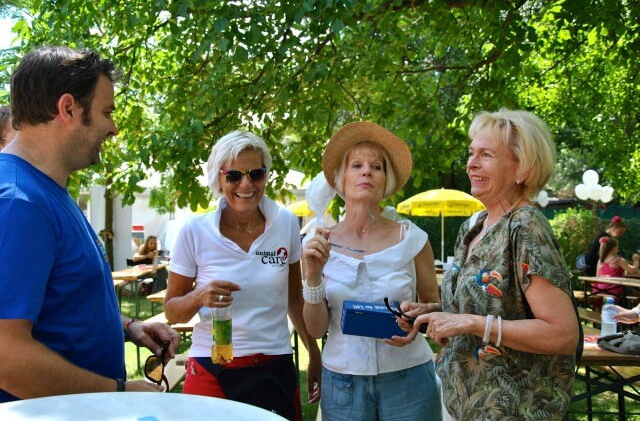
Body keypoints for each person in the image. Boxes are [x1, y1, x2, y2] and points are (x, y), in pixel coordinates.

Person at [0, 46, 181, 403]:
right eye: (107, 112)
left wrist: (128, 326)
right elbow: (7, 356)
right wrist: (119, 392)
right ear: (68, 108)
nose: (114, 129)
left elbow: (63, 304)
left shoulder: (46, 192)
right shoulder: (18, 204)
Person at [397, 109, 579, 420]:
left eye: (486, 155)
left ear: (522, 167)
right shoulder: (474, 227)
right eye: (471, 153)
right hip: (462, 403)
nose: (471, 163)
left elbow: (562, 334)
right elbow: (488, 306)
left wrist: (470, 323)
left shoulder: (525, 227)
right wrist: (434, 313)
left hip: (513, 409)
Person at [163, 130, 322, 420]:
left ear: (266, 176)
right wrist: (198, 297)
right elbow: (172, 312)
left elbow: (294, 299)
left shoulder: (285, 222)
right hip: (212, 365)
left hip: (274, 362)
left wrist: (313, 353)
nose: (246, 185)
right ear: (218, 179)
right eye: (234, 176)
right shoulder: (194, 231)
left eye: (255, 174)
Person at [302, 121, 442, 420]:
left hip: (409, 379)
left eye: (376, 167)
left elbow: (435, 306)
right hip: (343, 382)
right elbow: (315, 330)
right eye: (357, 165)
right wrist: (312, 276)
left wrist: (418, 319)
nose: (366, 172)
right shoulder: (319, 244)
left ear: (386, 180)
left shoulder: (413, 239)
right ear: (340, 178)